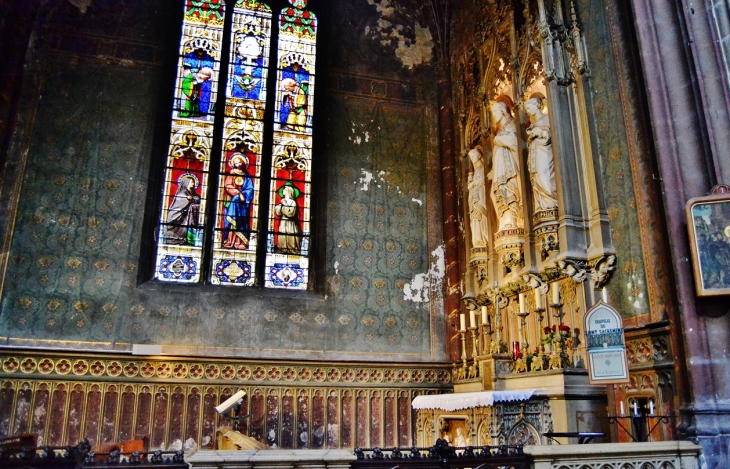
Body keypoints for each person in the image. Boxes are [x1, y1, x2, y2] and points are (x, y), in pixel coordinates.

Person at [489, 96, 523, 231]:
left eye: (495, 113)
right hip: (499, 170)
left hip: (509, 169)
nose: (493, 116)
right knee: (496, 193)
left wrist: (499, 139)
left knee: (509, 189)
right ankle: (504, 220)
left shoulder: (512, 124)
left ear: (503, 111)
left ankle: (512, 221)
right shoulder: (500, 130)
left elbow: (516, 142)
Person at [524, 93, 558, 212]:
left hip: (545, 153)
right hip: (536, 154)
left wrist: (540, 133)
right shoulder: (533, 124)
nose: (527, 111)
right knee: (536, 176)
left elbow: (552, 135)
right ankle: (542, 207)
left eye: (529, 108)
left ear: (537, 105)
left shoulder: (547, 118)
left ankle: (551, 204)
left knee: (545, 176)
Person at [222, 152, 254, 250]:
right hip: (233, 201)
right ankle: (230, 241)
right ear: (233, 164)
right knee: (232, 222)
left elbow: (250, 189)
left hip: (243, 205)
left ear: (243, 163)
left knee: (242, 222)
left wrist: (244, 195)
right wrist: (238, 193)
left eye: (240, 162)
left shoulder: (247, 175)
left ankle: (241, 242)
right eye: (236, 163)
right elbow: (228, 186)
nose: (238, 164)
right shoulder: (231, 173)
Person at [165, 173, 200, 246]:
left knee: (185, 226)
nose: (193, 184)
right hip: (177, 214)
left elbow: (197, 198)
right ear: (187, 183)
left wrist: (192, 198)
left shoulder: (192, 193)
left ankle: (184, 240)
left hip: (186, 215)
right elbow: (182, 199)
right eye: (191, 182)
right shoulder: (182, 192)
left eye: (193, 182)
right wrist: (189, 199)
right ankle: (174, 240)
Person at [467, 146, 489, 247]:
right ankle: (477, 241)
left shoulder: (483, 168)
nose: (472, 158)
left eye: (473, 155)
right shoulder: (476, 172)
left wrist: (473, 184)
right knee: (474, 219)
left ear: (479, 155)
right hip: (474, 200)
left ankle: (483, 239)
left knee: (481, 217)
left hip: (481, 198)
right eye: (470, 156)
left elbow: (483, 181)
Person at [274, 182, 302, 254]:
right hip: (283, 222)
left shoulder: (292, 202)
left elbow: (290, 213)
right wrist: (280, 206)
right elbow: (278, 212)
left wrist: (285, 204)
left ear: (288, 191)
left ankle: (291, 249)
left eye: (284, 189)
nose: (283, 191)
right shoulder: (282, 201)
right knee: (283, 235)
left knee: (290, 237)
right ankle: (283, 249)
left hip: (290, 223)